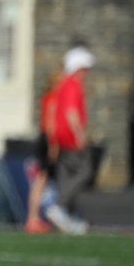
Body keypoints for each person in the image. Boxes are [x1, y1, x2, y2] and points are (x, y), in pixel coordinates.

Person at [46, 46, 93, 234]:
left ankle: (67, 214)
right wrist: (80, 134)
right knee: (84, 171)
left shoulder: (63, 84)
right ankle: (59, 207)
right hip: (70, 137)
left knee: (66, 176)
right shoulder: (73, 84)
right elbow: (71, 112)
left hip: (61, 137)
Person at [24, 68, 62, 233]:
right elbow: (51, 124)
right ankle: (32, 219)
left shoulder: (47, 97)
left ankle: (35, 218)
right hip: (47, 140)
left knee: (41, 182)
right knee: (40, 181)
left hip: (44, 139)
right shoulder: (53, 98)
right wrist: (53, 146)